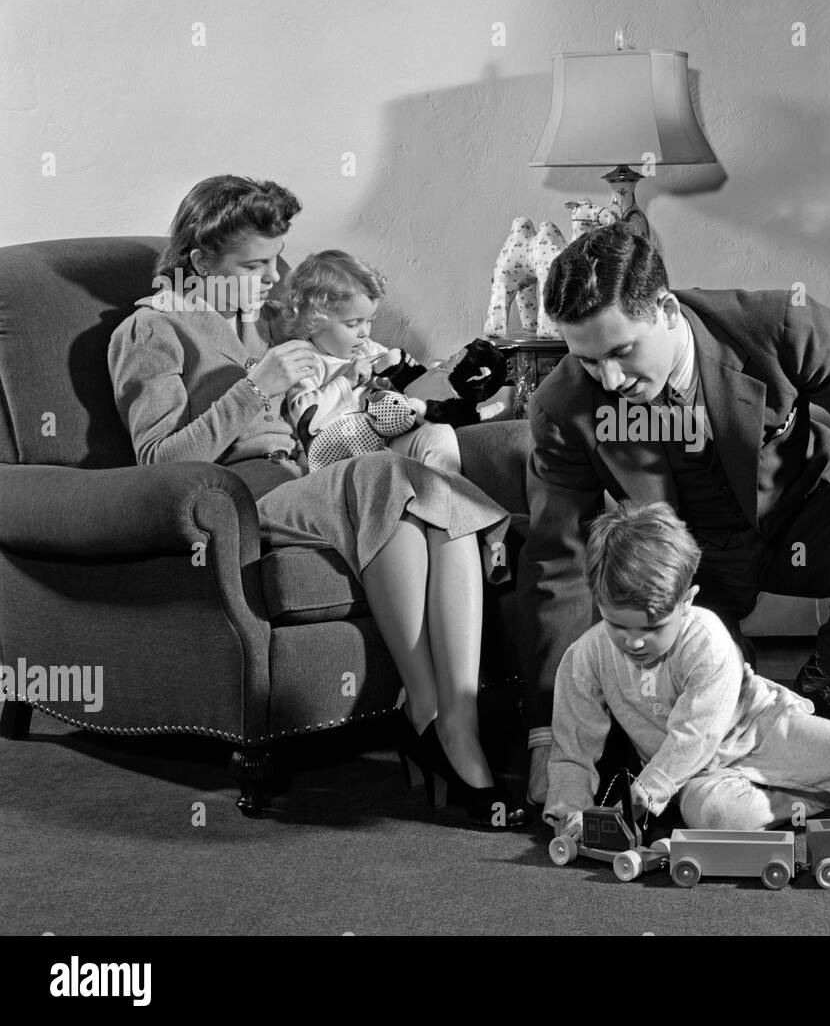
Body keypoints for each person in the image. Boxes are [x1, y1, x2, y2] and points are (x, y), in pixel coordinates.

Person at [107, 174, 525, 828]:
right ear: (199, 264)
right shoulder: (150, 331)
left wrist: (440, 381)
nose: (274, 278)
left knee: (424, 491)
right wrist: (252, 389)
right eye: (253, 266)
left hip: (310, 482)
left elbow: (361, 356)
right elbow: (157, 466)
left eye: (276, 258)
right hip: (244, 503)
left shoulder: (259, 321)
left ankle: (456, 723)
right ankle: (424, 709)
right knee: (387, 477)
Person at [520, 223, 830, 804]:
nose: (609, 379)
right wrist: (546, 740)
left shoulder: (778, 323)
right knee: (701, 737)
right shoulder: (560, 408)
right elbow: (558, 563)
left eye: (621, 351)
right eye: (587, 361)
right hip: (689, 565)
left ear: (665, 308)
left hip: (805, 516)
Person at [545, 501, 830, 835]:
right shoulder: (585, 657)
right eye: (618, 625)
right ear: (598, 602)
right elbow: (573, 745)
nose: (634, 642)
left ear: (688, 600)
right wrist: (571, 815)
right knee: (717, 817)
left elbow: (699, 731)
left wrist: (648, 790)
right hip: (694, 773)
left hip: (763, 729)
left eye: (653, 627)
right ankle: (826, 797)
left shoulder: (707, 637)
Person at [278, 249, 462, 475]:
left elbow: (403, 387)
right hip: (341, 460)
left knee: (439, 434)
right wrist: (346, 380)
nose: (365, 332)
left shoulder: (369, 349)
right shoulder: (304, 359)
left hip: (388, 442)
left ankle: (449, 499)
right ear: (314, 319)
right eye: (354, 323)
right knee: (385, 472)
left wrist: (428, 377)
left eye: (370, 321)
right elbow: (303, 414)